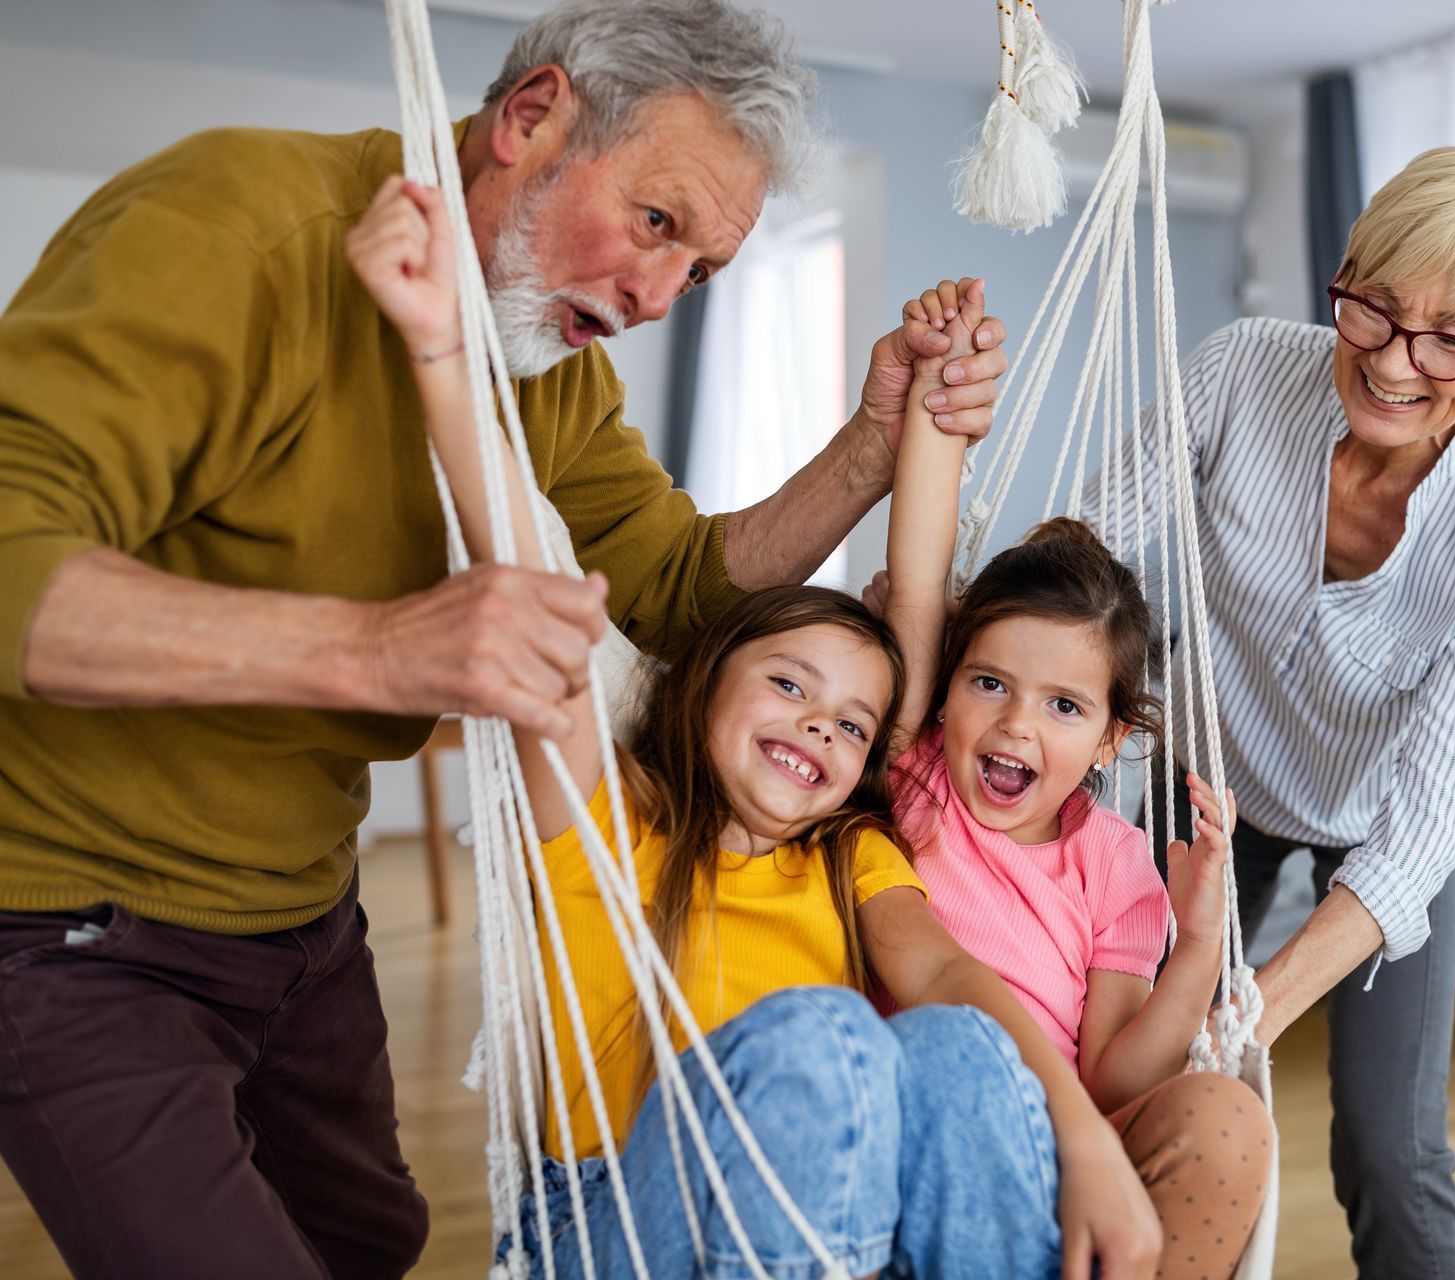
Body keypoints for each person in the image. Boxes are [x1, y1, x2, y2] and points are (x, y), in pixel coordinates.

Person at [0, 2, 1009, 1276]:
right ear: (530, 119)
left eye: (698, 270)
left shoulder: (544, 366)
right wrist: (376, 654)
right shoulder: (236, 227)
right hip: (69, 916)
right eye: (656, 223)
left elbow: (682, 587)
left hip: (298, 911)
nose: (657, 297)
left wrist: (873, 445)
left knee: (368, 1242)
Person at [352, 183, 1162, 1279]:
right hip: (609, 1218)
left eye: (850, 722)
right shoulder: (606, 815)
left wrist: (1080, 1136)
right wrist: (447, 355)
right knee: (823, 1036)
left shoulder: (855, 853)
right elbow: (524, 558)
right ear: (704, 679)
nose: (818, 728)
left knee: (955, 1046)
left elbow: (952, 981)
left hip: (815, 1221)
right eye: (788, 682)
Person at [1094, 146, 1455, 1278]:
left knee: (1390, 1143)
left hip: (1381, 831)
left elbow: (1421, 829)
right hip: (1210, 774)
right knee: (1132, 1068)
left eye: (1451, 338)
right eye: (1374, 304)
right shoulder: (1240, 370)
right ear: (1347, 271)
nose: (1392, 360)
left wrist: (1248, 1011)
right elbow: (1089, 556)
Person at [877, 278, 1272, 1280]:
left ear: (1108, 739)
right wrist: (939, 385)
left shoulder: (1114, 860)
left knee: (1227, 1115)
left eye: (1063, 705)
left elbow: (1111, 1071)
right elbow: (921, 580)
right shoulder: (918, 773)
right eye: (990, 682)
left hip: (1071, 1145)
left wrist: (1194, 949)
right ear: (948, 682)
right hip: (936, 1129)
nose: (1015, 721)